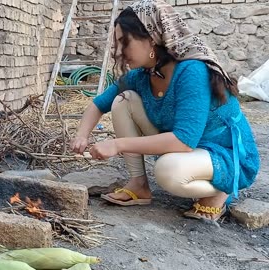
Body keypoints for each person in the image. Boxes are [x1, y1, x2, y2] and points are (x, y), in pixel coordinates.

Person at [70, 0, 260, 222]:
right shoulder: (142, 76)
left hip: (224, 154)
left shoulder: (191, 71)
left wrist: (117, 144)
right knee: (124, 101)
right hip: (190, 152)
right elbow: (98, 104)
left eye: (124, 42)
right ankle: (138, 185)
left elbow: (184, 141)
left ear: (151, 38)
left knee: (167, 171)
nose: (119, 51)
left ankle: (220, 190)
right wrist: (81, 135)